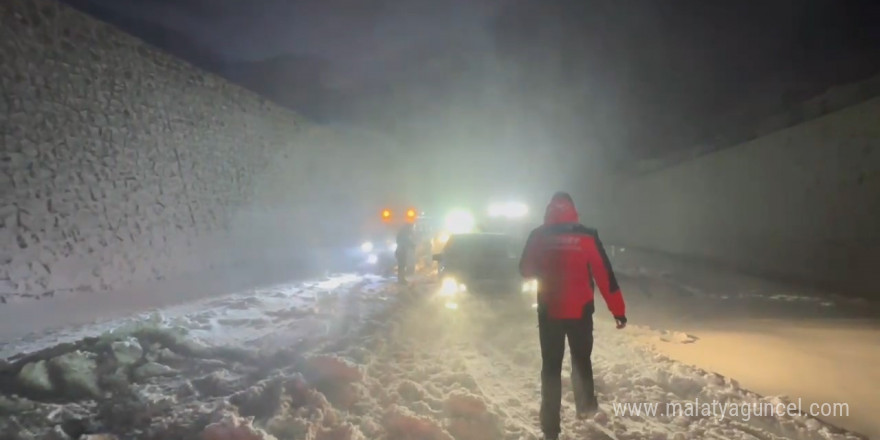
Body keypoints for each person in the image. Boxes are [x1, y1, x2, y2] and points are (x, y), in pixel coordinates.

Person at [519, 191, 627, 440]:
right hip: (580, 312)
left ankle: (550, 427)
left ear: (548, 210)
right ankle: (586, 409)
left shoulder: (538, 235)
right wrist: (618, 311)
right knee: (581, 358)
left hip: (549, 311)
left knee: (551, 368)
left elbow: (524, 270)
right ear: (573, 209)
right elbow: (604, 275)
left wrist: (544, 265)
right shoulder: (586, 236)